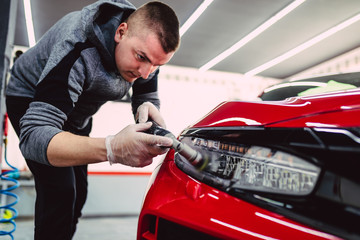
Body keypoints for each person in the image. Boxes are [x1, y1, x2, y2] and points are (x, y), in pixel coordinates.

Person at [5, 0, 180, 239]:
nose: (145, 73)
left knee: (79, 193)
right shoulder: (78, 45)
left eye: (156, 65)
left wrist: (149, 113)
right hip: (32, 100)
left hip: (77, 115)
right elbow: (35, 137)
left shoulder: (146, 52)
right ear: (121, 32)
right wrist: (112, 148)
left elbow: (145, 95)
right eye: (141, 57)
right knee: (60, 191)